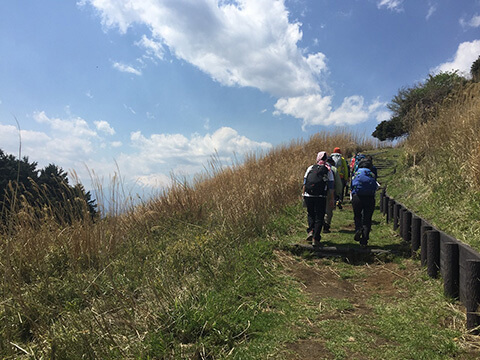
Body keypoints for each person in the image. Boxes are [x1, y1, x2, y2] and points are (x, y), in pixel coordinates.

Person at [303, 151, 334, 247]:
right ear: (326, 159)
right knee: (319, 217)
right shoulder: (328, 170)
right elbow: (331, 186)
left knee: (311, 214)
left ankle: (311, 230)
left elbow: (305, 182)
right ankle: (316, 239)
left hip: (308, 195)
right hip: (320, 196)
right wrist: (331, 199)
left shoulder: (310, 168)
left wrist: (303, 195)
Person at [350, 156, 378, 246]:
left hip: (357, 197)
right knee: (367, 219)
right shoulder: (372, 174)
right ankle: (364, 240)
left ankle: (358, 229)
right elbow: (376, 186)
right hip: (369, 197)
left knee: (357, 216)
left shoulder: (356, 173)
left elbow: (351, 186)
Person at [323, 156, 343, 233]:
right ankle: (326, 226)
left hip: (318, 192)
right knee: (328, 210)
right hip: (330, 191)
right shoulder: (333, 169)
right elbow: (338, 183)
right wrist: (338, 193)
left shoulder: (316, 167)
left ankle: (319, 225)